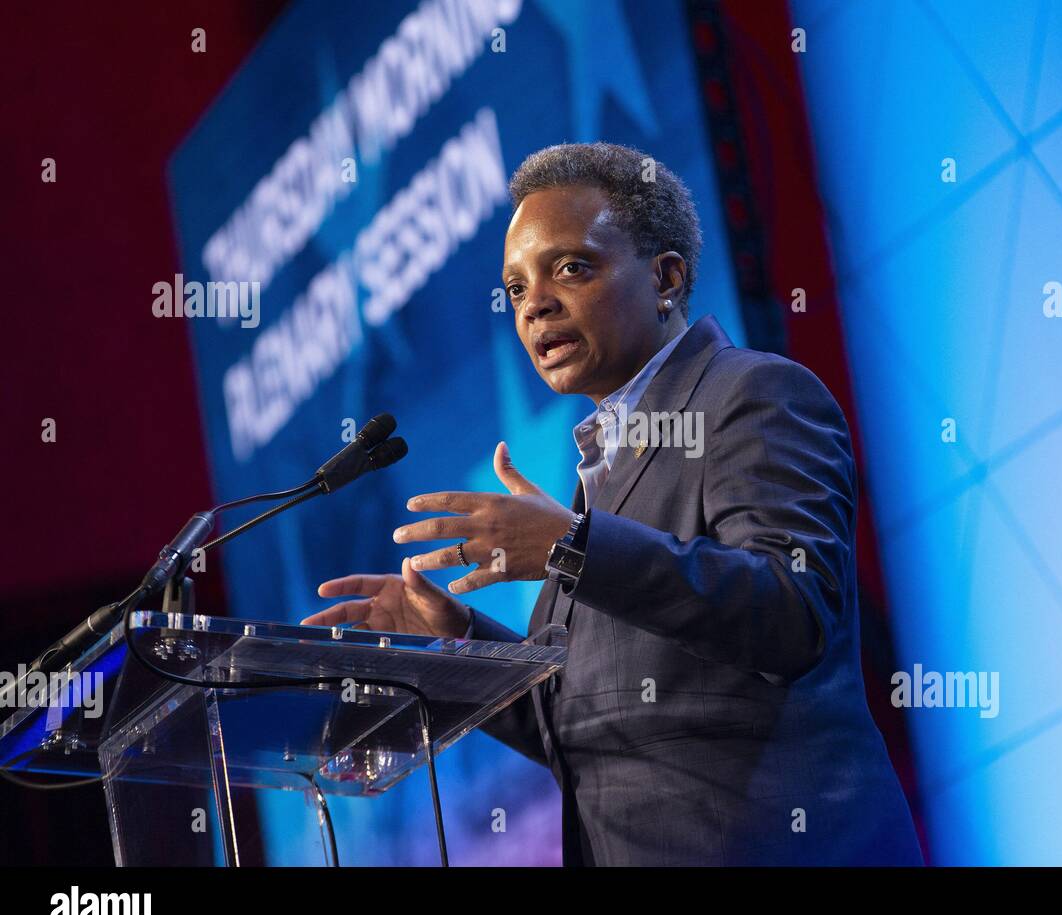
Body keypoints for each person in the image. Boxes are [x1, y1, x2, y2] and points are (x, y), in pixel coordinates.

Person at [303, 142, 922, 866]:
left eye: (571, 267)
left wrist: (572, 546)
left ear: (665, 278)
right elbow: (577, 728)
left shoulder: (751, 395)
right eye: (515, 288)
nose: (535, 303)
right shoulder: (600, 472)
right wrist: (457, 646)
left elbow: (791, 614)